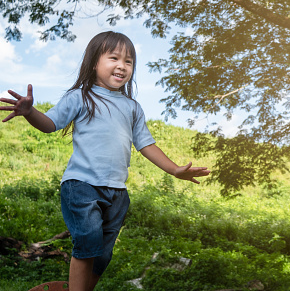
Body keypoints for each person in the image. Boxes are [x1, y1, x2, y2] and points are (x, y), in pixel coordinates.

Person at [0, 31, 211, 291]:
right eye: (114, 57)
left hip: (117, 193)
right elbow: (50, 124)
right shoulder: (80, 96)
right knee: (88, 241)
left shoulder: (132, 108)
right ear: (93, 63)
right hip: (82, 185)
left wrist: (175, 170)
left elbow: (146, 144)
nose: (122, 65)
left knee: (102, 256)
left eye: (129, 61)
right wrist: (30, 112)